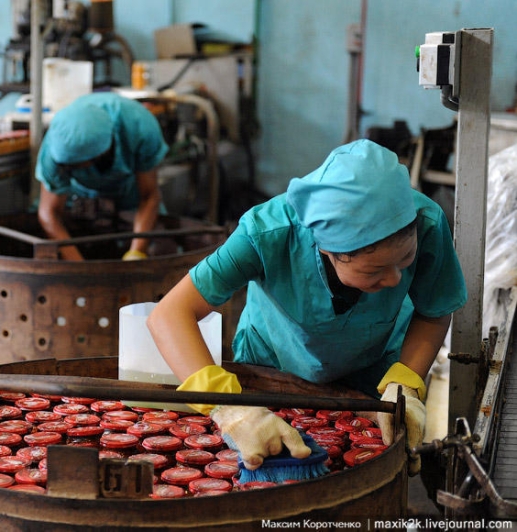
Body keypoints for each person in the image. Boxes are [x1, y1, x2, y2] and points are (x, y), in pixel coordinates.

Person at [146, 139, 467, 476]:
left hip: (373, 367)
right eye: (374, 271)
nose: (393, 280)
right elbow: (169, 314)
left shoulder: (426, 221)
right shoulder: (265, 233)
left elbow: (434, 308)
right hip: (272, 366)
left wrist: (406, 381)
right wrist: (228, 407)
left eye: (405, 260)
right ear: (327, 249)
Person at [35, 92, 169, 261]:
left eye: (83, 165)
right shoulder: (54, 149)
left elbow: (149, 196)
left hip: (132, 198)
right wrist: (79, 265)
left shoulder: (139, 127)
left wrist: (136, 252)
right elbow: (49, 213)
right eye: (72, 167)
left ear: (103, 153)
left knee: (162, 250)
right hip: (78, 200)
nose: (80, 170)